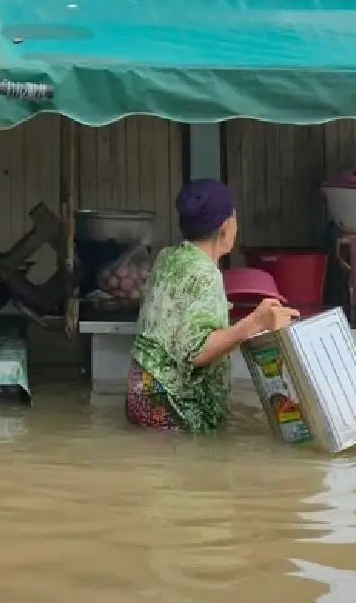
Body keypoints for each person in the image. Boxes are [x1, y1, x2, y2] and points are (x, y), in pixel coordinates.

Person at [126, 179, 296, 433]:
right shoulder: (205, 274)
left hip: (140, 394)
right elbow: (197, 352)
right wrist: (255, 322)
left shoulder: (168, 257)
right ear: (225, 227)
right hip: (173, 407)